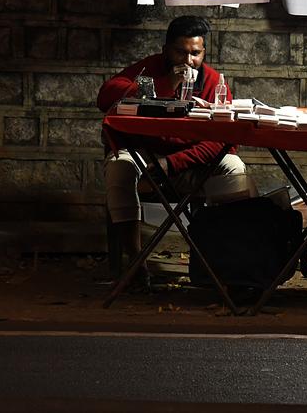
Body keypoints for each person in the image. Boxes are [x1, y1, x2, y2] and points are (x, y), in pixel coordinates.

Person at [97, 15, 247, 283]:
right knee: (119, 165)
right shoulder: (150, 70)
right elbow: (106, 95)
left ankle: (226, 263)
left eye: (196, 53)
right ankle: (135, 263)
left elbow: (220, 142)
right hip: (146, 159)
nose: (188, 61)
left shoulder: (213, 81)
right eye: (181, 52)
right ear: (166, 50)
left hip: (188, 165)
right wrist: (167, 84)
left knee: (234, 166)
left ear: (204, 52)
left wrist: (172, 163)